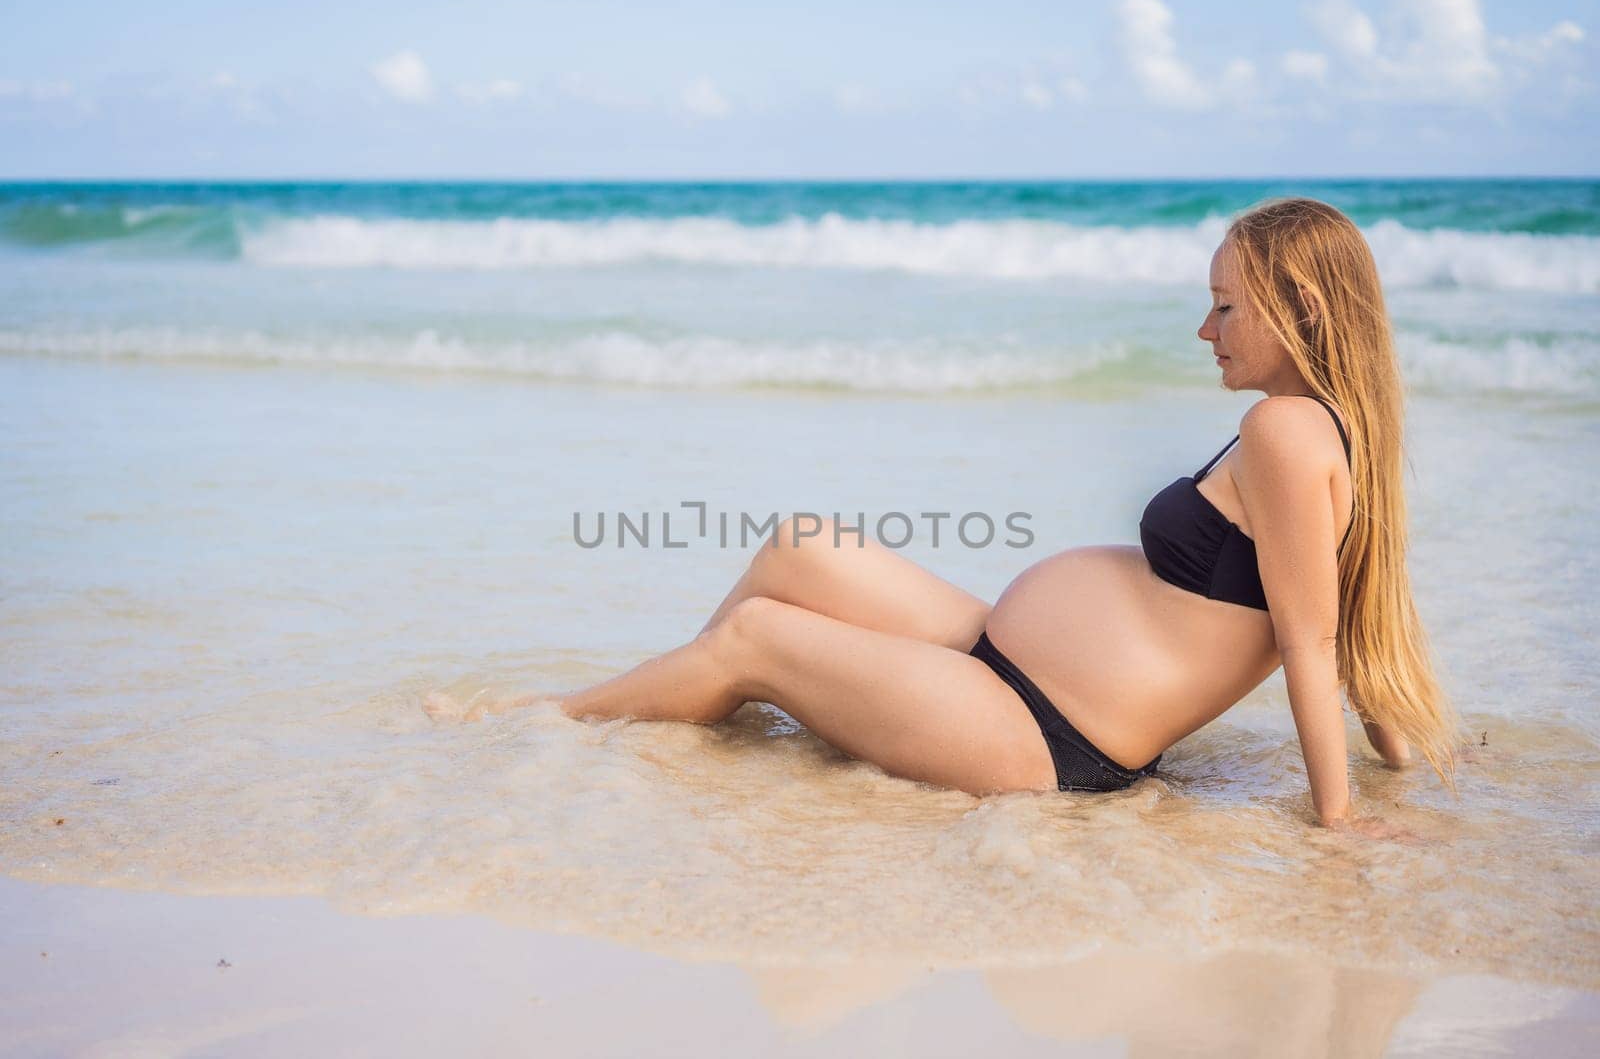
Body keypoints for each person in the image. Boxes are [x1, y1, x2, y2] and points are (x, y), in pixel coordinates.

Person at [429, 197, 1460, 831]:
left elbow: (1316, 634)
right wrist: (1396, 759)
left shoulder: (1290, 432)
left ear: (1307, 309)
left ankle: (549, 720)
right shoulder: (1318, 429)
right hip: (999, 659)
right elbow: (1362, 600)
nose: (1204, 327)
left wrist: (1340, 819)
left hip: (1045, 734)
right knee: (800, 546)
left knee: (758, 634)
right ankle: (689, 713)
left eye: (1226, 304)